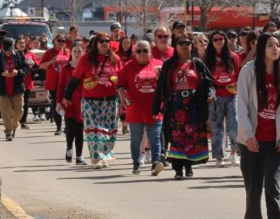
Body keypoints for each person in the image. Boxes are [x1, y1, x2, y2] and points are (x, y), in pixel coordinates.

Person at [236, 33, 280, 219]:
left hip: (276, 141)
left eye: (278, 45)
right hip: (251, 141)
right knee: (253, 187)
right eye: (270, 45)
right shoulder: (248, 72)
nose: (276, 49)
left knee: (272, 183)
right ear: (261, 48)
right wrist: (248, 136)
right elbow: (241, 106)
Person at [153, 31, 214, 179]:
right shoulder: (169, 65)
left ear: (191, 45)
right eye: (181, 43)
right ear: (176, 45)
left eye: (187, 43)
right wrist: (155, 108)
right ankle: (178, 170)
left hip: (194, 106)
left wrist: (211, 93)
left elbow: (209, 82)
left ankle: (189, 167)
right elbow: (160, 87)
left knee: (191, 137)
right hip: (175, 106)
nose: (184, 46)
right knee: (177, 137)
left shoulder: (198, 64)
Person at [64, 32, 121, 168]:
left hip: (111, 101)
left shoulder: (115, 59)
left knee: (109, 130)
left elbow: (121, 79)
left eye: (107, 41)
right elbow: (75, 79)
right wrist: (66, 96)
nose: (104, 43)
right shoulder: (86, 59)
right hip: (90, 101)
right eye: (101, 41)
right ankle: (96, 158)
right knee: (93, 129)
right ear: (96, 43)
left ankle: (105, 155)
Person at [118, 39, 164, 175]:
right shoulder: (128, 66)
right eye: (139, 51)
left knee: (154, 136)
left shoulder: (158, 65)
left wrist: (161, 76)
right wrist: (122, 97)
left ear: (150, 52)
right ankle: (136, 163)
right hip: (135, 109)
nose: (142, 53)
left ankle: (155, 163)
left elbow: (166, 84)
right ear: (134, 53)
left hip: (154, 108)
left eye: (145, 50)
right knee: (136, 139)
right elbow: (120, 84)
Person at [204, 30, 240, 167]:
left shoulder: (233, 57)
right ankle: (219, 157)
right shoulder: (207, 59)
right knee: (216, 128)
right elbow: (205, 79)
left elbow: (238, 75)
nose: (219, 41)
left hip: (231, 95)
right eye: (215, 39)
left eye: (221, 39)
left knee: (233, 127)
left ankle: (234, 153)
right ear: (211, 42)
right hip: (215, 97)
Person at [0, 36, 29, 141]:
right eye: (6, 51)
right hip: (3, 87)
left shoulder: (19, 55)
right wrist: (2, 74)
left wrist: (18, 72)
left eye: (9, 51)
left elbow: (26, 67)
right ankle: (8, 132)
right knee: (5, 111)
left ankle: (14, 124)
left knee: (19, 110)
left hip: (17, 87)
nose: (8, 53)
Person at [57, 41, 86, 164]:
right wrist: (58, 102)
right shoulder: (66, 69)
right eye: (75, 51)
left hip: (83, 102)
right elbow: (60, 86)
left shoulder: (86, 67)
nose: (77, 54)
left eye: (80, 51)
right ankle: (69, 148)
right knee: (70, 129)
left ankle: (79, 156)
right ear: (71, 52)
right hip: (68, 102)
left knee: (80, 130)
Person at [39, 35, 69, 136]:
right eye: (59, 40)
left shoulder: (68, 52)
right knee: (58, 104)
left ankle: (67, 126)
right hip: (54, 83)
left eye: (63, 41)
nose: (61, 42)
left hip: (67, 83)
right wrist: (51, 62)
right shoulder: (49, 52)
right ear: (54, 41)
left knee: (67, 105)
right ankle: (59, 127)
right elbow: (41, 65)